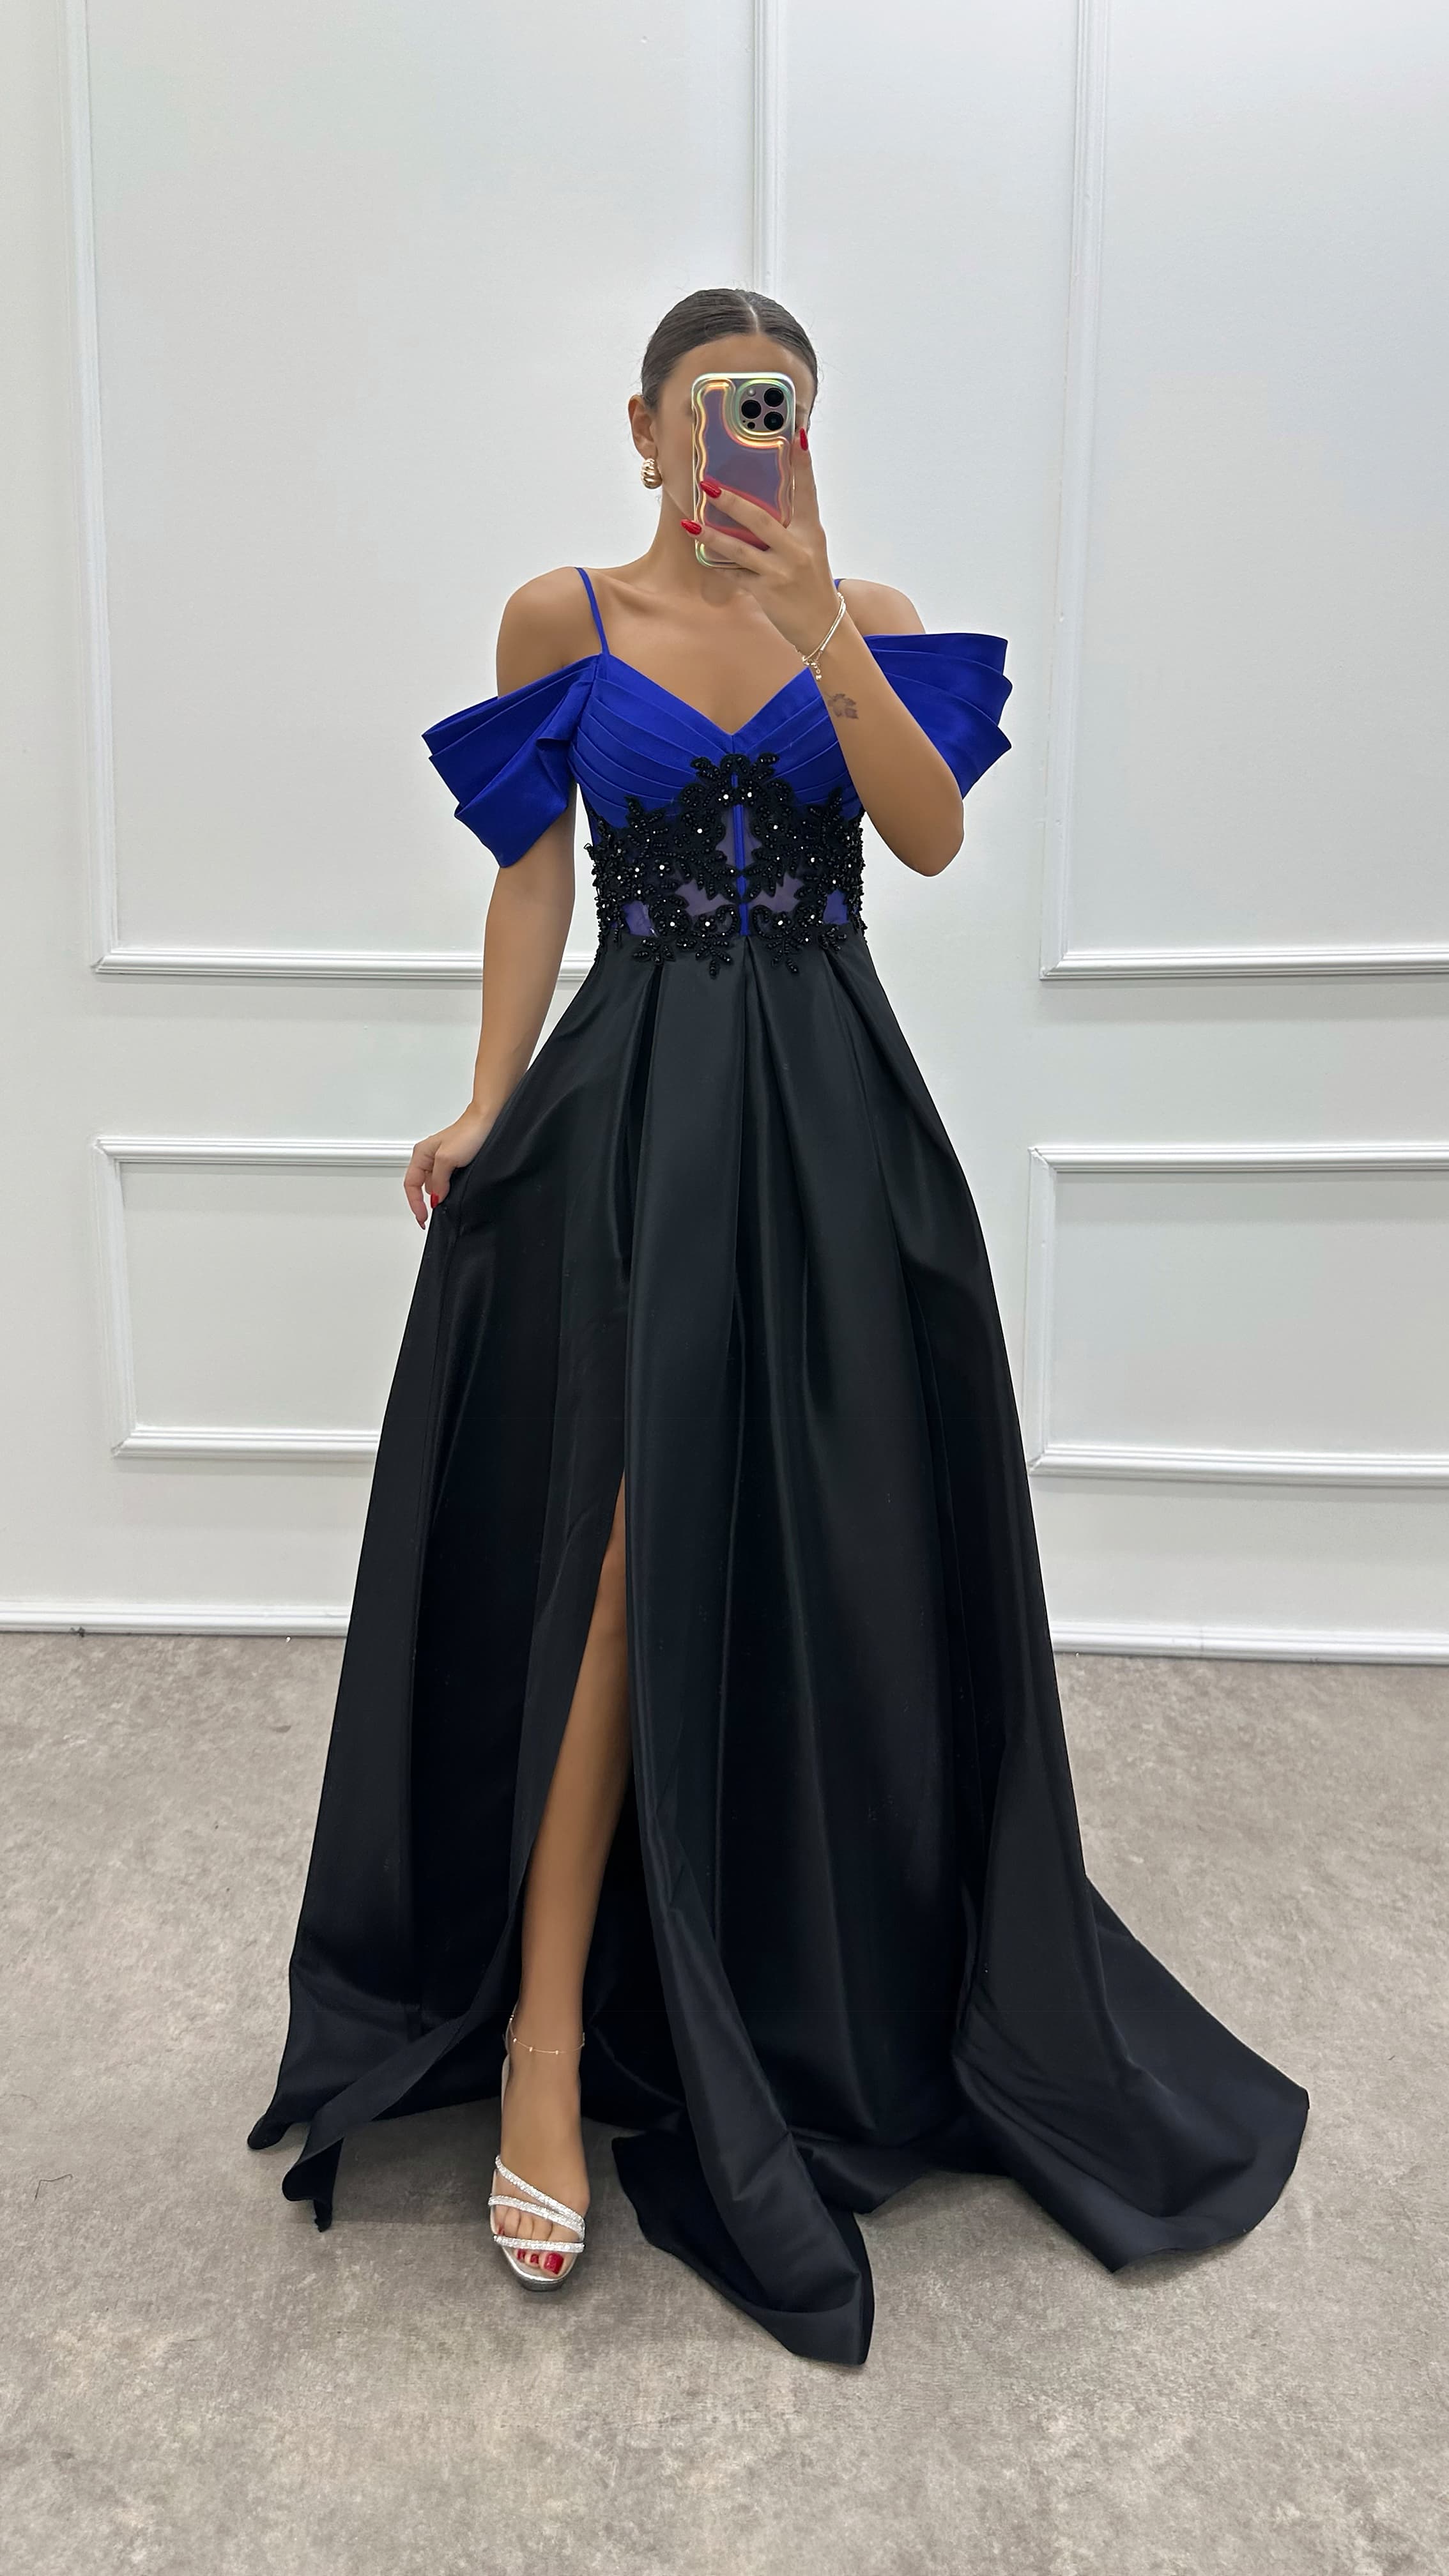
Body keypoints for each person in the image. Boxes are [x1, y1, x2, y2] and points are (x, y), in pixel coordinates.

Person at [248, 286, 1308, 2365]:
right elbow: (532, 880)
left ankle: (819, 1975)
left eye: (783, 409)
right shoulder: (558, 621)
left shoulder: (864, 612)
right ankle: (546, 2041)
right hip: (638, 1117)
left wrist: (823, 619)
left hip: (830, 1117)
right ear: (644, 426)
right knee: (619, 1558)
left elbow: (926, 835)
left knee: (836, 1542)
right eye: (718, 407)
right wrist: (485, 1096)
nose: (747, 436)